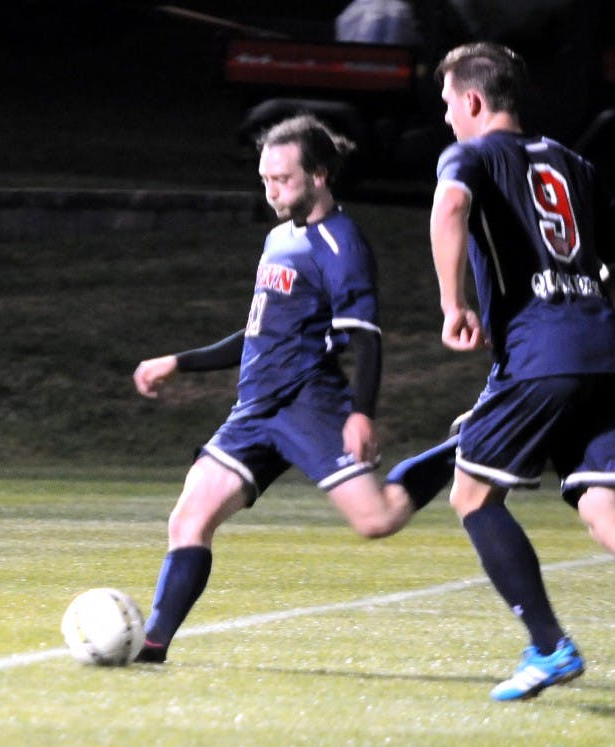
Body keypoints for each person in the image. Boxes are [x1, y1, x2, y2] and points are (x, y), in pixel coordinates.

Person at [406, 41, 615, 708]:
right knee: (613, 517)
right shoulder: (577, 162)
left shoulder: (470, 155)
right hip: (607, 353)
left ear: (472, 100)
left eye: (448, 104)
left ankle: (549, 645)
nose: (445, 118)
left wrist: (453, 304)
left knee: (472, 497)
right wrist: (581, 312)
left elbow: (448, 209)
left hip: (539, 355)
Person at [131, 114, 422, 664]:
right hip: (254, 409)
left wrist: (361, 413)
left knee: (377, 521)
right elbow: (262, 331)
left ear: (319, 175)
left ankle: (459, 452)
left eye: (282, 180)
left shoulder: (342, 244)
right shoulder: (278, 238)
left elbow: (366, 337)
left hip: (309, 403)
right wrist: (179, 361)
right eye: (265, 180)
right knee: (189, 518)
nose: (271, 191)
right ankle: (152, 645)